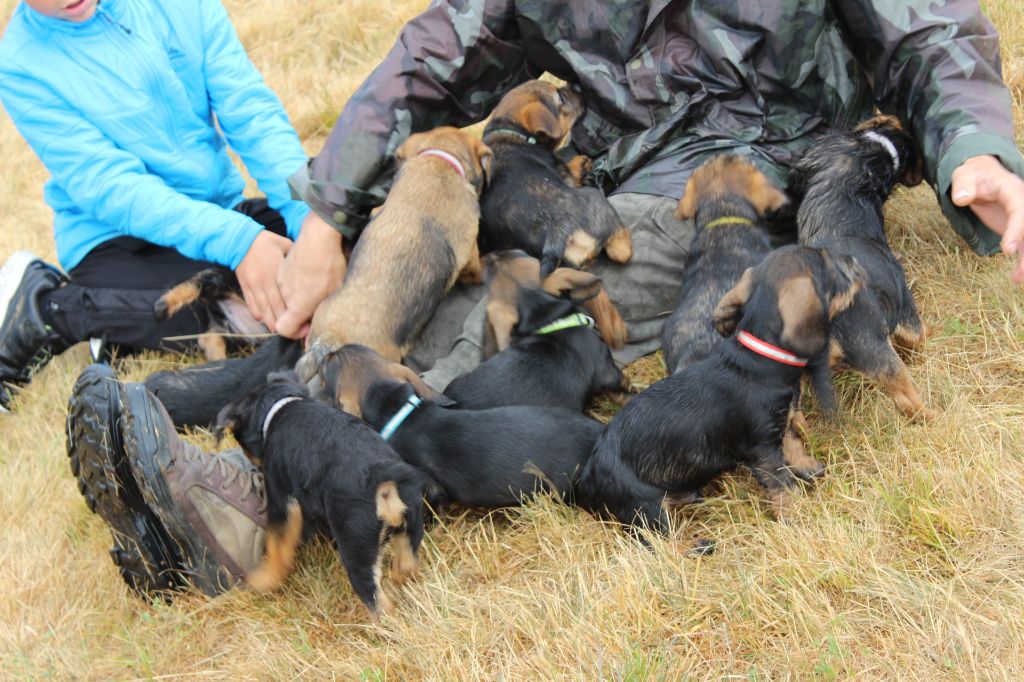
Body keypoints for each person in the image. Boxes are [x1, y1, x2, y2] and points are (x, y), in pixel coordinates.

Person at [59, 0, 1024, 597]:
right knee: (397, 265)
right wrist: (321, 213)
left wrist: (976, 148)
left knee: (480, 349)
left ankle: (249, 503)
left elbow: (933, 28)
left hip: (737, 179)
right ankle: (219, 435)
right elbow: (429, 52)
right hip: (604, 178)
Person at [0, 0, 345, 412]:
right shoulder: (20, 64)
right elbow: (112, 186)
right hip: (118, 240)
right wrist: (238, 242)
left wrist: (310, 217)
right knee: (237, 318)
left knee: (339, 248)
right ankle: (52, 309)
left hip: (214, 213)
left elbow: (250, 111)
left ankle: (125, 331)